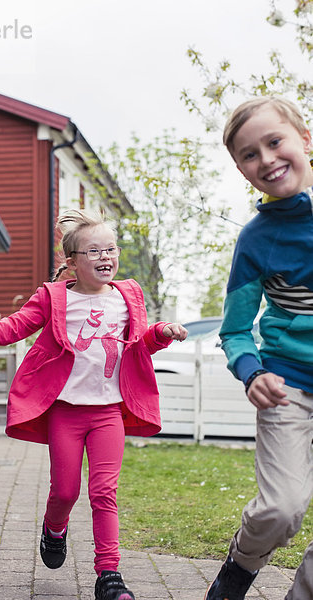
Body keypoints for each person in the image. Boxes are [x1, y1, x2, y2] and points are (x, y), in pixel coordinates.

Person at [0, 208, 187, 600]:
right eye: (93, 251)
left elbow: (139, 342)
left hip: (109, 410)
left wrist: (162, 333)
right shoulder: (54, 296)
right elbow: (12, 328)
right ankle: (53, 528)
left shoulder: (129, 294)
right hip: (66, 410)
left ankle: (109, 575)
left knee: (104, 491)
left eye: (110, 248)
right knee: (64, 491)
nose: (105, 257)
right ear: (72, 261)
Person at [205, 96, 313, 600]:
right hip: (286, 387)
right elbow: (234, 329)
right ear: (241, 170)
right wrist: (252, 372)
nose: (266, 159)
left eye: (275, 142)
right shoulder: (256, 239)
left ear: (304, 139)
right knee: (282, 508)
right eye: (250, 154)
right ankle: (241, 564)